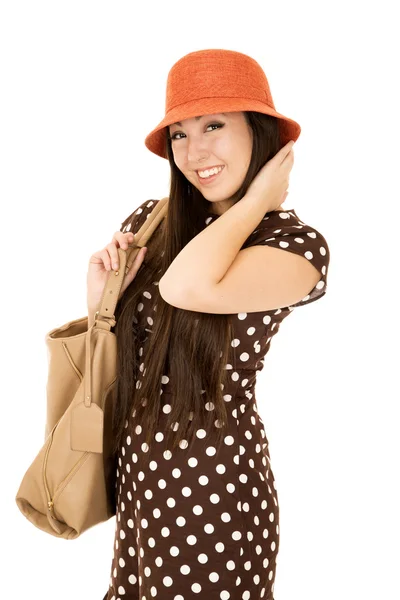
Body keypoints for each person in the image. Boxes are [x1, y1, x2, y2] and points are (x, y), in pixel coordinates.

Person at [91, 49, 330, 600]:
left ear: (263, 136)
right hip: (140, 480)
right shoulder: (149, 223)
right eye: (179, 134)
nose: (194, 152)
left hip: (215, 486)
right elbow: (124, 359)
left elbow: (186, 287)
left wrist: (258, 200)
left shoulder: (294, 246)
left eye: (215, 126)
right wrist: (100, 302)